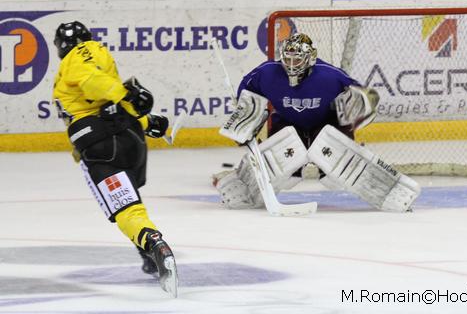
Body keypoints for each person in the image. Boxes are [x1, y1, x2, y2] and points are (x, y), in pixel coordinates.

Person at [214, 33, 421, 212]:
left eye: (298, 60)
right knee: (285, 175)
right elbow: (249, 87)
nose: (292, 65)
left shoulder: (330, 76)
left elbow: (362, 99)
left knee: (333, 175)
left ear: (310, 58)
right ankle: (248, 186)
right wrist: (245, 117)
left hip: (325, 124)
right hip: (287, 122)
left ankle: (379, 186)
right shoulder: (268, 72)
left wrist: (360, 108)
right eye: (288, 59)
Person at [52, 21, 178, 297]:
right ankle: (148, 253)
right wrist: (145, 121)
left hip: (101, 147)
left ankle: (155, 245)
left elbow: (92, 80)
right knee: (129, 199)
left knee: (125, 209)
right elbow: (109, 104)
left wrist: (125, 94)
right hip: (126, 140)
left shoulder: (81, 53)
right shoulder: (87, 56)